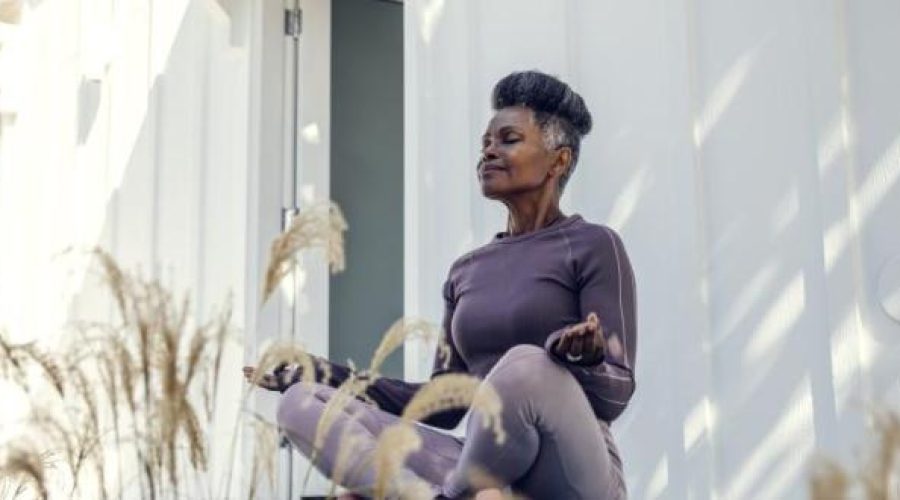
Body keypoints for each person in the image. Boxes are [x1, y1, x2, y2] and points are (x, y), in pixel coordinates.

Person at [244, 70, 636, 500]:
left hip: (571, 470)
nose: (488, 152)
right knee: (302, 403)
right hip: (483, 464)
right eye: (484, 143)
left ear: (557, 161)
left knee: (527, 364)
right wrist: (322, 372)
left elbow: (616, 394)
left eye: (507, 140)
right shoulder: (467, 270)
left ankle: (448, 495)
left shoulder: (594, 245)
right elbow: (445, 402)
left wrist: (584, 362)